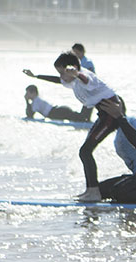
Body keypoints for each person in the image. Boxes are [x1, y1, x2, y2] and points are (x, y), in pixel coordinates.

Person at [23, 51, 125, 201]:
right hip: (103, 115)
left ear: (71, 69)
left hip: (112, 113)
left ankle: (94, 192)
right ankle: (91, 190)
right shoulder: (72, 80)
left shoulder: (85, 75)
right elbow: (58, 80)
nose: (62, 77)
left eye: (63, 72)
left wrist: (76, 73)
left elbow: (85, 79)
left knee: (85, 151)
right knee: (84, 152)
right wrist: (36, 76)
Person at [24, 85, 89, 123]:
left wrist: (26, 101)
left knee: (78, 118)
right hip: (57, 111)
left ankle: (86, 117)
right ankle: (86, 117)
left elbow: (30, 115)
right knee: (76, 116)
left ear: (34, 93)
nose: (26, 95)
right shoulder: (36, 100)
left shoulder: (36, 101)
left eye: (27, 93)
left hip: (55, 112)